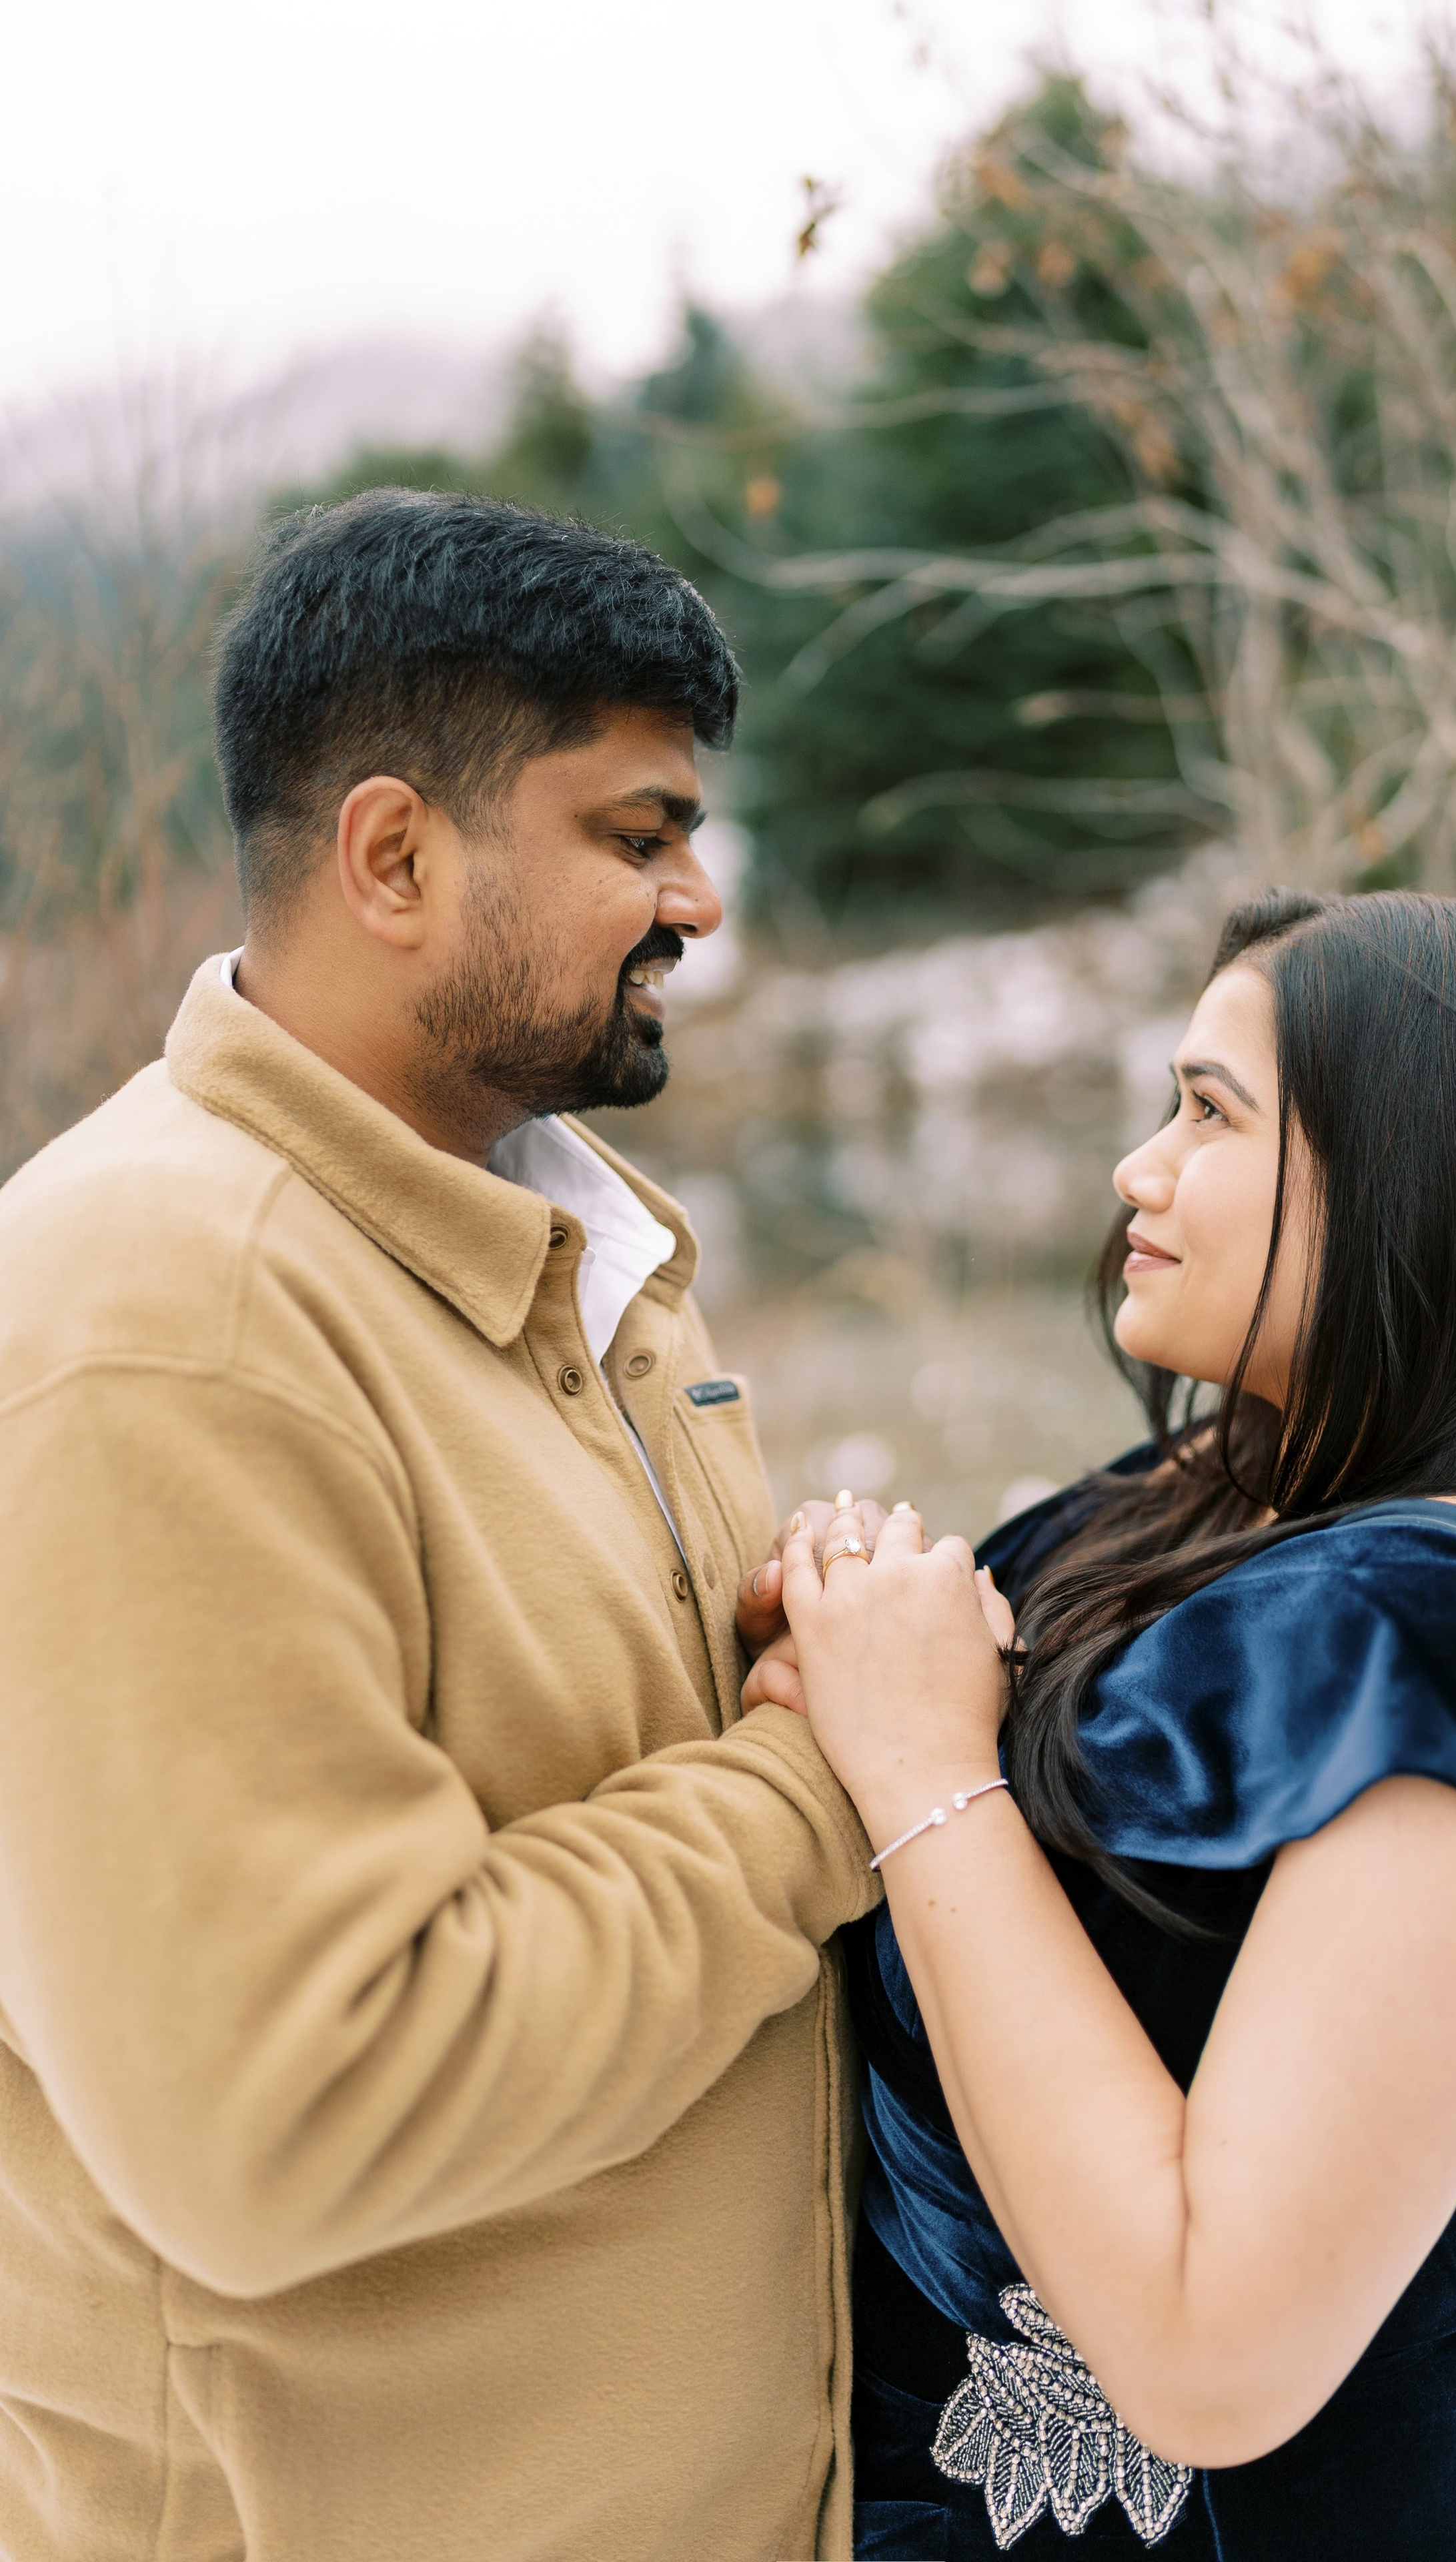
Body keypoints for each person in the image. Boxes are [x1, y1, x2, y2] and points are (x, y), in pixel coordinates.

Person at [0, 488, 883, 2562]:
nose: (700, 902)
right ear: (393, 855)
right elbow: (291, 2111)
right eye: (636, 835)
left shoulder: (564, 1243)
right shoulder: (169, 1321)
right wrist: (817, 1783)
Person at [744, 889, 1456, 2558]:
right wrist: (852, 1652)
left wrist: (918, 1766)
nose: (1139, 1167)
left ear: (1415, 1166)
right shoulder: (1204, 1496)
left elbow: (1208, 2353)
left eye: (1207, 1113)